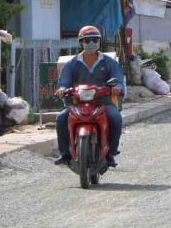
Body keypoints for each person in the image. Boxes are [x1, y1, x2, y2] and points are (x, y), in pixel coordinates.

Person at [54, 26, 126, 167]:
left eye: (94, 40)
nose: (91, 43)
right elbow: (64, 82)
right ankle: (65, 153)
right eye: (87, 41)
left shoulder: (109, 62)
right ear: (81, 43)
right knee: (61, 118)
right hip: (78, 102)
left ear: (99, 42)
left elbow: (118, 79)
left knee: (115, 118)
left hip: (103, 102)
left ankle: (111, 153)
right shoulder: (72, 63)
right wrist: (62, 90)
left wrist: (117, 88)